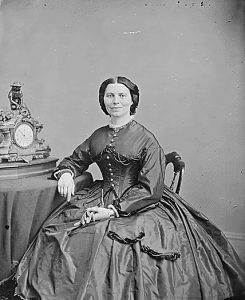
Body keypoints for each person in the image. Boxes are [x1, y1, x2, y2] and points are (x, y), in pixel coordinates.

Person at [0, 76, 244, 300]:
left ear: (132, 100)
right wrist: (66, 173)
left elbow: (150, 189)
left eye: (121, 96)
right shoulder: (99, 135)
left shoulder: (147, 139)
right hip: (100, 193)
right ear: (103, 101)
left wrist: (112, 210)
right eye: (109, 96)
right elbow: (76, 159)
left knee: (116, 248)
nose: (115, 101)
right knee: (61, 232)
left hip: (141, 203)